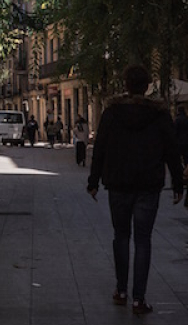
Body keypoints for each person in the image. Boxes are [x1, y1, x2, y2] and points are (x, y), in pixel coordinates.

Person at [87, 64, 184, 314]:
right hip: (148, 185)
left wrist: (93, 181)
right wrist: (178, 183)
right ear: (147, 86)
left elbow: (100, 148)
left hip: (118, 183)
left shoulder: (111, 114)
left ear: (126, 85)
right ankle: (139, 299)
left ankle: (121, 291)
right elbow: (172, 150)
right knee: (143, 240)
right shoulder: (160, 115)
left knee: (121, 236)